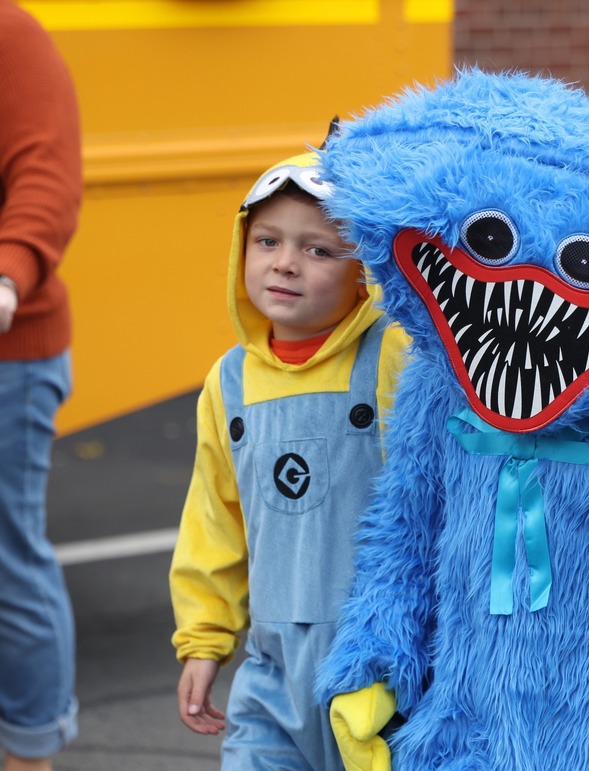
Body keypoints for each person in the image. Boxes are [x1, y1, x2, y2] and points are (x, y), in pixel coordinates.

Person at [169, 149, 408, 770]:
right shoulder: (229, 383)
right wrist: (204, 640)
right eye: (267, 240)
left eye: (319, 250)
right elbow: (214, 518)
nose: (285, 263)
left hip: (382, 671)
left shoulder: (391, 357)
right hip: (271, 674)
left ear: (365, 271)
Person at [0, 3, 82, 770]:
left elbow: (47, 177)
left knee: (4, 557)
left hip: (8, 348)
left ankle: (28, 753)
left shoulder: (10, 35)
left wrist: (8, 275)